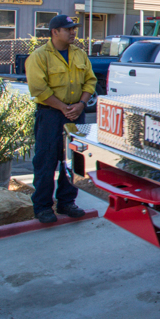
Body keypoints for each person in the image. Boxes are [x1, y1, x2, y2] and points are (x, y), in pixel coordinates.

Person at [25, 15, 96, 223]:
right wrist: (64, 108)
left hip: (76, 113)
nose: (73, 32)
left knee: (73, 160)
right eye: (68, 29)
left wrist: (81, 104)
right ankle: (43, 207)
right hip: (51, 115)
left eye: (74, 28)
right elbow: (38, 88)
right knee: (46, 160)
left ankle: (67, 202)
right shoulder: (39, 56)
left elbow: (90, 81)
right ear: (54, 32)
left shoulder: (79, 54)